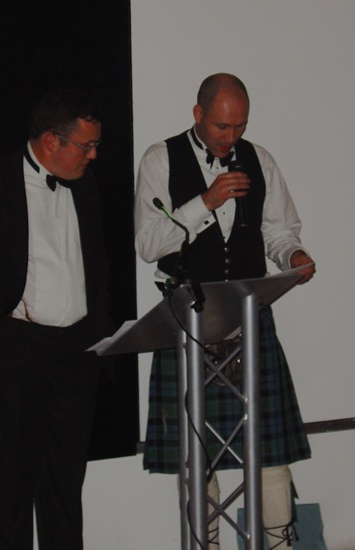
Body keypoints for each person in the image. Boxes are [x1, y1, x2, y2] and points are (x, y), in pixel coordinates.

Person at [135, 73, 316, 548]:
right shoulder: (160, 158)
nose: (231, 137)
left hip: (249, 314)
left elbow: (278, 232)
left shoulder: (261, 160)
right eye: (221, 126)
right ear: (198, 114)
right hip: (188, 317)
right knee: (197, 454)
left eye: (239, 126)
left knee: (269, 449)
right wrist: (205, 202)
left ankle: (280, 545)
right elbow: (149, 244)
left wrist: (293, 256)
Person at [0, 88, 113, 549]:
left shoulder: (85, 185)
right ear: (52, 140)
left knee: (65, 488)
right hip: (14, 351)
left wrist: (98, 336)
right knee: (8, 490)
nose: (94, 155)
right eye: (87, 145)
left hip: (76, 354)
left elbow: (95, 263)